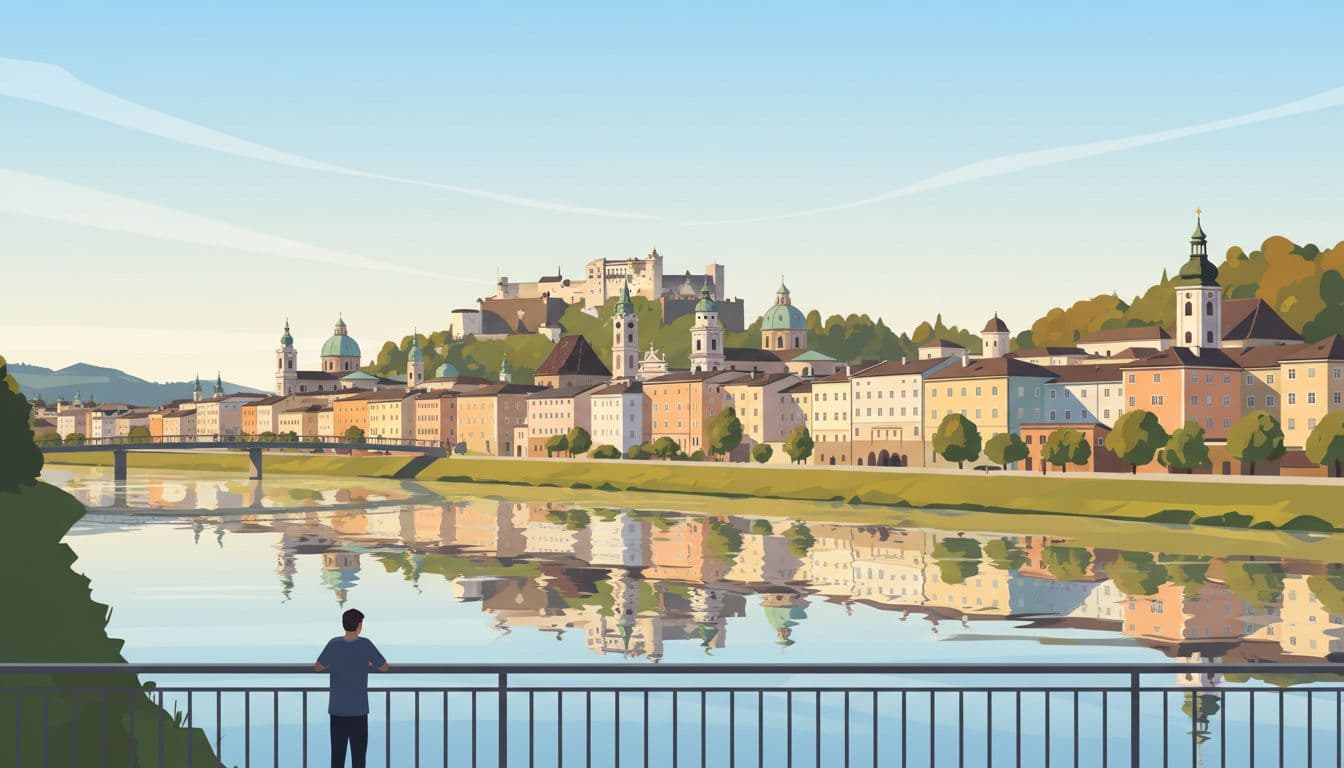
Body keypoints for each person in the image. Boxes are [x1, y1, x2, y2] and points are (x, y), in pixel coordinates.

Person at [315, 608, 389, 768]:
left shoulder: (333, 644)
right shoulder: (365, 644)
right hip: (359, 710)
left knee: (337, 757)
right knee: (359, 758)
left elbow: (318, 667)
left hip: (337, 710)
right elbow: (384, 667)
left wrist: (335, 662)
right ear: (359, 626)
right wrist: (367, 662)